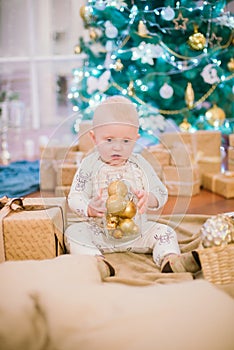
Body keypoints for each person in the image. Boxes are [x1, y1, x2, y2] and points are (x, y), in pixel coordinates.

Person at [66, 95, 201, 276]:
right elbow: (74, 197)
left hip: (137, 232)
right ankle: (96, 262)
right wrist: (89, 208)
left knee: (165, 230)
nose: (117, 147)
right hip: (100, 233)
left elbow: (160, 192)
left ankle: (170, 260)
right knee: (74, 232)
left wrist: (149, 198)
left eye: (126, 141)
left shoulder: (140, 164)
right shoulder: (88, 165)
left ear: (136, 138)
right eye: (109, 140)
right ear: (94, 137)